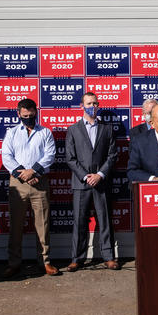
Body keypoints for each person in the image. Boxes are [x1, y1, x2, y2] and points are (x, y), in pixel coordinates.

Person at [1, 98, 59, 277]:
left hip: (39, 183)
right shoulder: (11, 133)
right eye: (24, 116)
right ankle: (14, 263)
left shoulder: (45, 132)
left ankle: (45, 262)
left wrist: (33, 172)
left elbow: (50, 155)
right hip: (18, 185)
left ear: (36, 112)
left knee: (42, 225)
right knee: (16, 226)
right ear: (18, 114)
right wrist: (23, 174)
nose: (28, 118)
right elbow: (6, 157)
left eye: (31, 115)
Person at [65, 92, 119, 271]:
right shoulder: (73, 130)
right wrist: (86, 176)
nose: (92, 106)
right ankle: (77, 258)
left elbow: (112, 155)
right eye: (89, 103)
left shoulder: (107, 128)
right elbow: (70, 158)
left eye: (95, 103)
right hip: (81, 183)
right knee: (80, 221)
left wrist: (100, 175)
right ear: (82, 105)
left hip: (101, 182)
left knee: (104, 220)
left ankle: (108, 256)